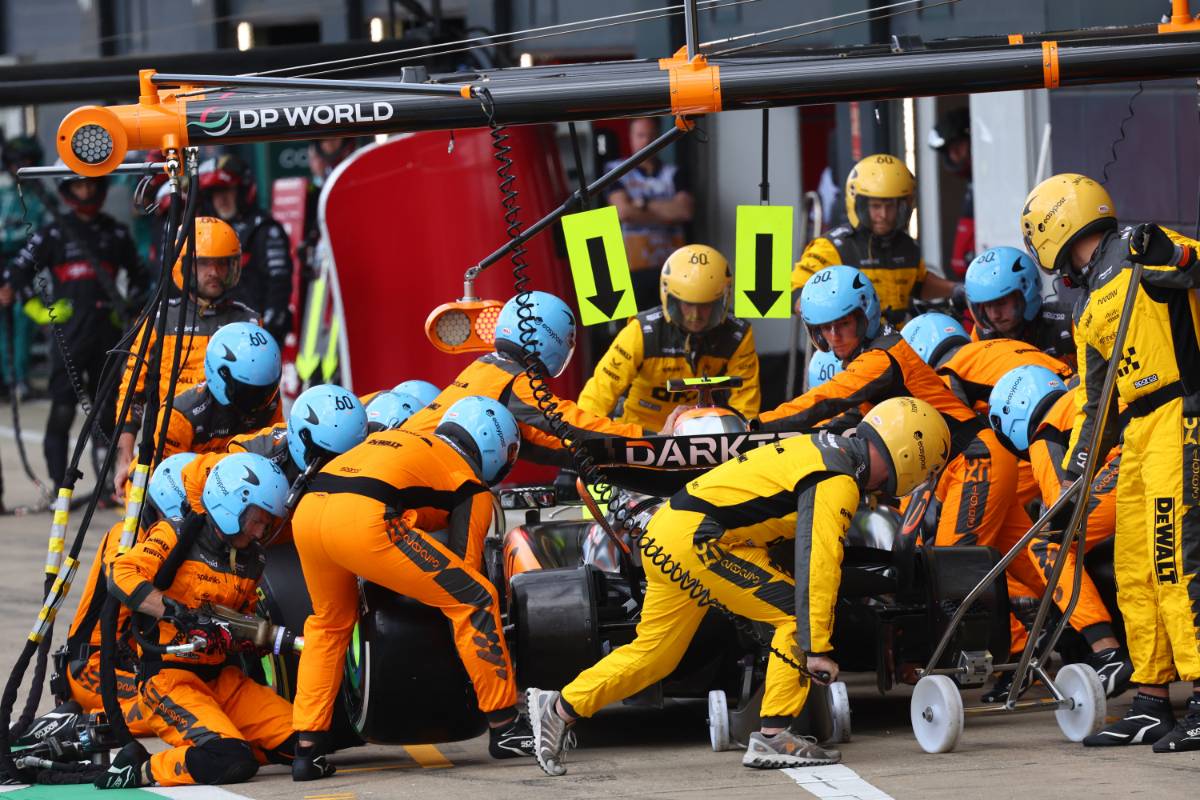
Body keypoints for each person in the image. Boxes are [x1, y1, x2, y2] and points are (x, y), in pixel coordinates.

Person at [528, 397, 952, 775]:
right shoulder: (837, 478)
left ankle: (560, 707)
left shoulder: (824, 447)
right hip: (700, 540)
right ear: (911, 458)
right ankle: (774, 734)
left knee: (654, 655)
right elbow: (819, 562)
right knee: (793, 617)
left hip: (673, 534)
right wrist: (818, 647)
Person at [1020, 172, 1200, 750]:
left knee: (1178, 560)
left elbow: (1195, 263)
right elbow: (1096, 403)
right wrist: (1076, 471)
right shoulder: (1086, 303)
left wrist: (1173, 251)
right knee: (1134, 569)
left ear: (1051, 229)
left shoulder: (1143, 248)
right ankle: (1151, 700)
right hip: (1139, 432)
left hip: (1182, 413)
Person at [290, 396, 530, 780]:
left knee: (328, 624)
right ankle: (505, 727)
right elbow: (465, 572)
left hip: (309, 510)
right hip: (363, 520)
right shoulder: (471, 483)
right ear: (495, 448)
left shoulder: (412, 439)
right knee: (475, 598)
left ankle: (307, 748)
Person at [758, 266, 1016, 553]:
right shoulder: (879, 353)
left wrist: (759, 426)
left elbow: (827, 399)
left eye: (843, 324)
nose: (834, 336)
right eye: (825, 328)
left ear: (863, 317)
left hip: (973, 461)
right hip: (963, 464)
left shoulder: (880, 357)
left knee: (951, 573)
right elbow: (846, 420)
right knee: (1027, 569)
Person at [98, 453, 294, 788]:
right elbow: (121, 574)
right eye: (257, 520)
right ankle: (145, 768)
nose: (262, 530)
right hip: (172, 681)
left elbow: (244, 615)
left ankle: (228, 740)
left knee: (307, 739)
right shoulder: (174, 534)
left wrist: (250, 637)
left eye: (267, 522)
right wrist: (176, 613)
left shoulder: (253, 558)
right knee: (231, 760)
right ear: (232, 507)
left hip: (225, 680)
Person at [988, 365, 1133, 696]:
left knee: (1047, 543)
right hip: (1166, 446)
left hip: (1129, 461)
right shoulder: (1077, 398)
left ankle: (1106, 651)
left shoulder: (1046, 432)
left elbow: (1061, 510)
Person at [404, 292, 683, 463]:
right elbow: (571, 423)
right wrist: (651, 440)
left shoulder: (483, 368)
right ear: (556, 340)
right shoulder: (514, 381)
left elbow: (542, 441)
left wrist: (613, 456)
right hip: (416, 470)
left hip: (401, 459)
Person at [2, 169, 150, 489]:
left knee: (107, 413)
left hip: (108, 339)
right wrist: (42, 312)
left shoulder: (117, 234)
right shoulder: (52, 233)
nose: (85, 192)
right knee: (62, 412)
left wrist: (127, 311)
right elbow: (14, 278)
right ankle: (59, 485)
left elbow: (142, 280)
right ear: (68, 189)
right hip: (67, 339)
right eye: (79, 186)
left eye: (90, 185)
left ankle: (109, 485)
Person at [113, 216, 260, 495]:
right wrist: (124, 461)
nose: (213, 272)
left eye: (221, 263)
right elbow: (133, 393)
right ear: (184, 266)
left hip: (229, 460)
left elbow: (266, 402)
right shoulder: (158, 320)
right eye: (203, 263)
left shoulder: (250, 324)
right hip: (166, 453)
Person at [61, 452, 196, 734]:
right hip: (92, 667)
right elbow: (121, 581)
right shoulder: (124, 536)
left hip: (131, 664)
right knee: (168, 708)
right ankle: (78, 724)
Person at [578, 244, 759, 430]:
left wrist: (741, 443)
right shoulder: (640, 331)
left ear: (723, 299)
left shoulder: (738, 335)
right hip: (640, 434)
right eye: (687, 304)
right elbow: (599, 394)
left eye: (706, 305)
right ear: (669, 297)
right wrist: (580, 438)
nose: (695, 315)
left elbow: (745, 405)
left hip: (701, 433)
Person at [790, 154, 958, 326]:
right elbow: (795, 293)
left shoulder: (906, 246)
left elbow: (918, 284)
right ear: (859, 204)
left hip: (898, 346)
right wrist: (835, 319)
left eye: (890, 206)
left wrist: (957, 289)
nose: (883, 215)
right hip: (848, 348)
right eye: (876, 206)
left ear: (903, 206)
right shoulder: (832, 248)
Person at [199, 154, 294, 344]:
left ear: (242, 190)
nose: (221, 199)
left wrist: (266, 332)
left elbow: (279, 285)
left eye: (227, 190)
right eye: (215, 193)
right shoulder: (206, 232)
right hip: (217, 334)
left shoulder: (264, 228)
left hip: (257, 337)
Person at [606, 117, 695, 310]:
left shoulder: (675, 173)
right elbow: (624, 212)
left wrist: (643, 204)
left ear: (659, 138)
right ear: (630, 137)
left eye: (651, 136)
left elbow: (684, 211)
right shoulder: (615, 171)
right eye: (640, 135)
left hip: (673, 270)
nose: (646, 142)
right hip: (630, 270)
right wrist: (667, 213)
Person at [158, 321, 283, 458]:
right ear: (221, 375)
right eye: (250, 393)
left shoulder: (271, 401)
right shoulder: (179, 417)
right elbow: (164, 473)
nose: (258, 402)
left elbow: (276, 447)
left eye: (264, 392)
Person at [964, 246, 1074, 369]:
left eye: (1001, 303)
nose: (995, 315)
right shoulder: (981, 337)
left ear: (1027, 291)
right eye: (988, 306)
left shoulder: (1068, 324)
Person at [0, 135, 50, 400]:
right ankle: (7, 379)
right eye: (14, 162)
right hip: (1, 262)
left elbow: (44, 236)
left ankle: (19, 378)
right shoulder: (1, 191)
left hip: (27, 267)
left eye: (25, 162)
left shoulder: (40, 196)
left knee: (22, 316)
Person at [927, 107, 975, 279]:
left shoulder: (992, 180)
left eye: (958, 145)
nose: (954, 154)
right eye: (949, 149)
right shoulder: (974, 181)